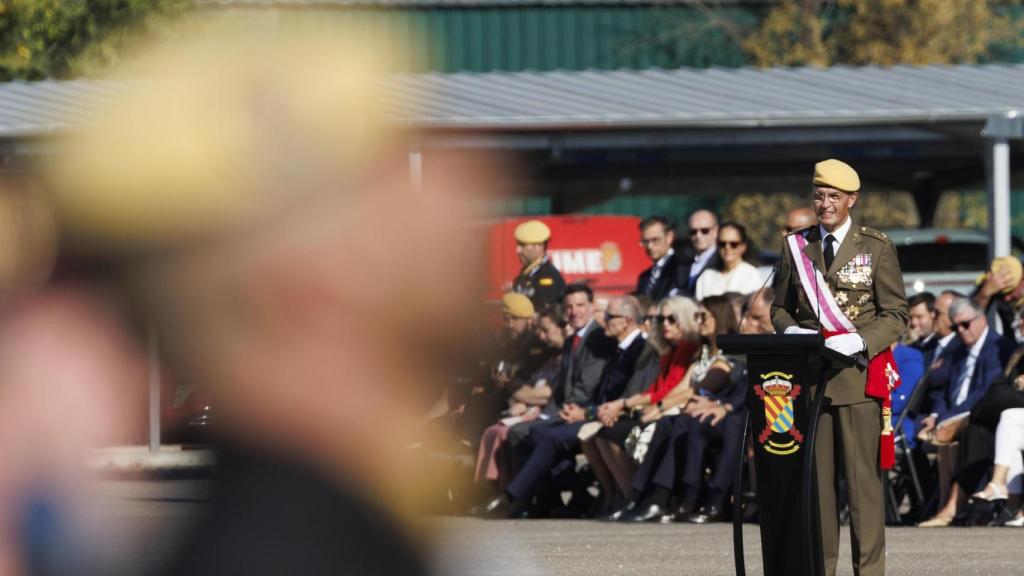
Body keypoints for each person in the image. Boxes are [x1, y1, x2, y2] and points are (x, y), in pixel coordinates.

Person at [772, 159, 908, 576]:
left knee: (864, 492)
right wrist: (790, 330)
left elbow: (896, 313)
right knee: (818, 492)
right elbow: (780, 307)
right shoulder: (797, 246)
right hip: (810, 381)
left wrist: (862, 340)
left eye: (834, 197)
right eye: (819, 196)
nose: (825, 204)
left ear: (852, 200)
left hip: (856, 380)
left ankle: (868, 572)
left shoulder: (876, 247)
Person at [490, 295, 648, 518]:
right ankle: (559, 499)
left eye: (609, 316)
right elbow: (568, 388)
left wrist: (586, 412)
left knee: (549, 436)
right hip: (589, 411)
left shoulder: (615, 343)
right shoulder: (612, 344)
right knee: (529, 433)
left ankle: (515, 496)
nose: (603, 319)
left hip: (600, 413)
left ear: (628, 321)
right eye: (569, 307)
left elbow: (608, 391)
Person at [917, 297, 1008, 527]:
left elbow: (984, 393)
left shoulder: (997, 347)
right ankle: (945, 504)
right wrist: (937, 416)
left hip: (980, 416)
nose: (961, 330)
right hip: (953, 418)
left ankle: (949, 506)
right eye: (956, 326)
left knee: (960, 437)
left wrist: (947, 419)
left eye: (965, 324)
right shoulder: (958, 350)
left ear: (981, 318)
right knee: (944, 441)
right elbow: (944, 391)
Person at [694, 221, 763, 301]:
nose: (727, 247)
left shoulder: (751, 275)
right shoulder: (706, 276)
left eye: (733, 244)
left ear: (743, 246)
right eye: (722, 243)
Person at [512, 219, 566, 308]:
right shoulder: (525, 275)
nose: (518, 250)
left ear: (539, 245)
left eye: (522, 245)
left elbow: (545, 314)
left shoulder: (548, 276)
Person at [635, 216, 687, 300]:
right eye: (645, 242)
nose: (649, 246)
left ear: (669, 237)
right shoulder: (644, 277)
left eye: (655, 240)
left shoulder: (682, 269)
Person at [679, 209, 720, 296]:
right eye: (693, 232)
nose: (698, 236)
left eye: (705, 231)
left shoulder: (722, 260)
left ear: (716, 231)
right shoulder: (683, 263)